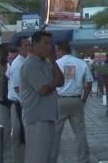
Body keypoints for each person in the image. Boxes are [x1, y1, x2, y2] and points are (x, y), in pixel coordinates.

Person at [20, 31, 64, 163]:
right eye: (45, 43)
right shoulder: (30, 65)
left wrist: (54, 61)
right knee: (37, 157)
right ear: (34, 44)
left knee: (47, 156)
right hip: (37, 118)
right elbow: (43, 90)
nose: (49, 46)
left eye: (50, 43)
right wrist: (54, 82)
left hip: (48, 116)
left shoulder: (46, 63)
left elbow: (61, 81)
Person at [52, 41, 93, 163]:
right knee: (80, 131)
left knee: (55, 133)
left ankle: (52, 158)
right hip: (76, 100)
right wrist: (84, 99)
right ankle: (83, 158)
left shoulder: (56, 64)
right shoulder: (81, 63)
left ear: (60, 50)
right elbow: (89, 83)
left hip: (59, 100)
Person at [8, 36, 30, 163]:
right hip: (18, 104)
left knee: (23, 136)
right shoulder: (18, 64)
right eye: (26, 45)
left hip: (23, 104)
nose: (29, 47)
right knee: (18, 135)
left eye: (29, 45)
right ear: (19, 48)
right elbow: (17, 88)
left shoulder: (24, 61)